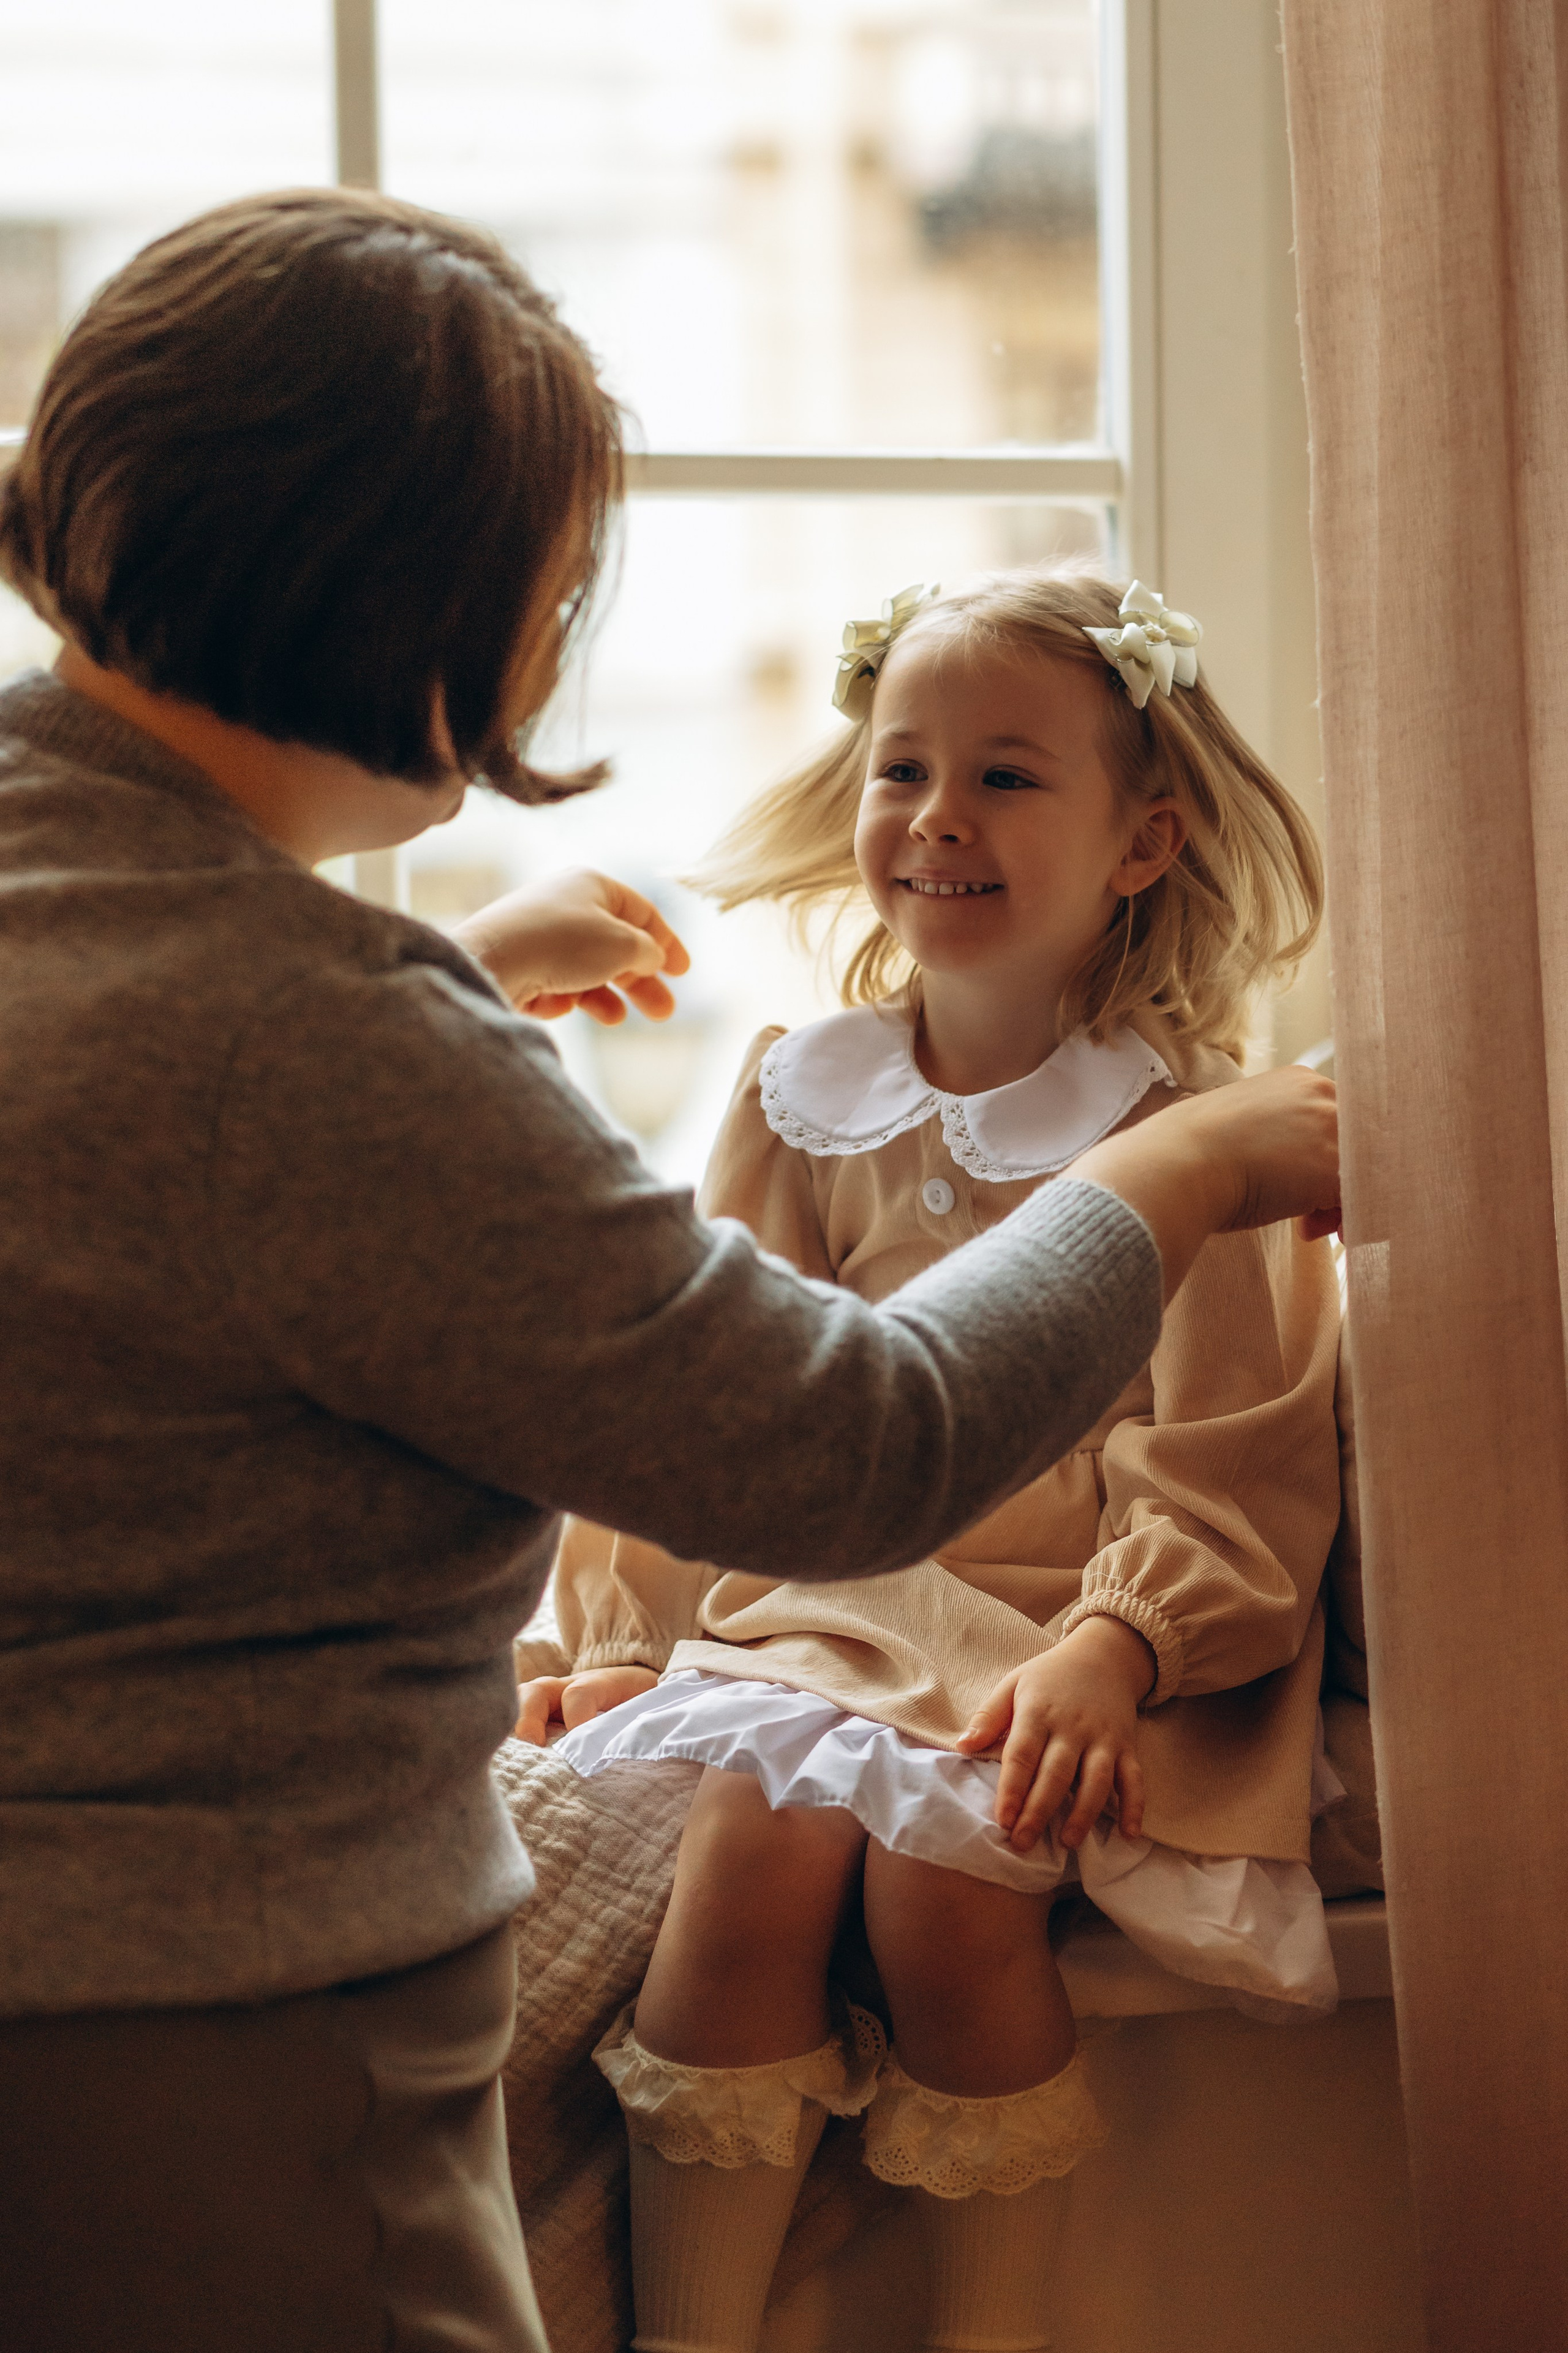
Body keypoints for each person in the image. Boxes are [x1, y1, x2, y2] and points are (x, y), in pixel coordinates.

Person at [0, 186, 1338, 2353]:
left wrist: (428, 981)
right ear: (410, 606)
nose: (551, 656)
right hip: (203, 2056)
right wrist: (1181, 1175)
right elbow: (843, 1439)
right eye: (546, 595)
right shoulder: (334, 1038)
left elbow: (152, 1114)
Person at [519, 570, 1344, 2353]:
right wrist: (610, 1633)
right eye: (904, 770)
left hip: (1061, 1634)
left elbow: (1233, 1450)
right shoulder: (799, 1093)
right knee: (746, 1858)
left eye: (1009, 777)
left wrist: (1120, 1647)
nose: (939, 817)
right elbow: (698, 1394)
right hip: (827, 1608)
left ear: (1145, 840)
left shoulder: (1197, 1126)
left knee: (949, 1889)